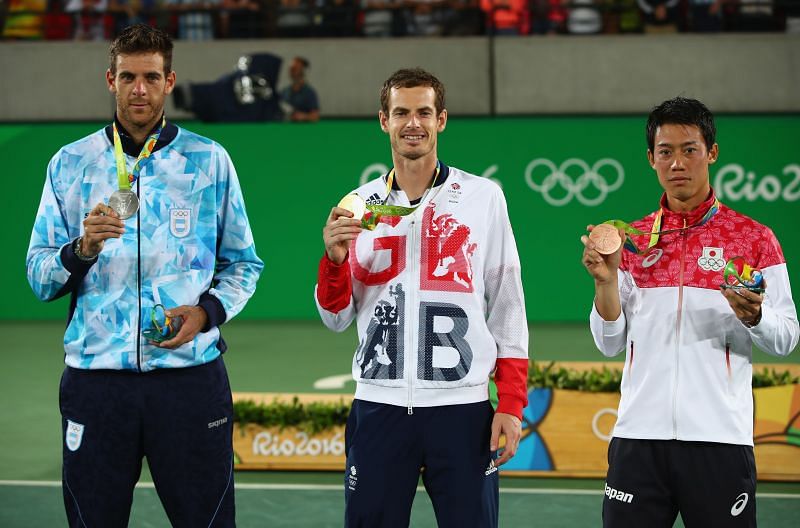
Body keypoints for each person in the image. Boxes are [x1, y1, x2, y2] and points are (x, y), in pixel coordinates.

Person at [26, 24, 263, 527]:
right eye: (128, 76)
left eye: (151, 77)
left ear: (169, 81)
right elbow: (39, 275)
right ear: (109, 79)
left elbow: (243, 264)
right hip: (97, 382)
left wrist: (207, 313)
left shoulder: (209, 161)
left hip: (189, 381)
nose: (139, 89)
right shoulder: (69, 164)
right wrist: (82, 249)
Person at [316, 68, 529, 527]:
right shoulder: (358, 206)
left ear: (442, 120)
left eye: (424, 112)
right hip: (379, 407)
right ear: (383, 121)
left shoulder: (483, 198)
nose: (413, 123)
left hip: (462, 411)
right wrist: (332, 260)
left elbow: (508, 304)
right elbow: (336, 318)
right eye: (401, 113)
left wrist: (510, 404)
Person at [581, 97, 799, 527]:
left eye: (689, 149)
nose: (677, 162)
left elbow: (787, 336)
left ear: (712, 153)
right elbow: (609, 343)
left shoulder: (754, 238)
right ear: (651, 159)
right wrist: (604, 283)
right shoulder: (632, 240)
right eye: (666, 152)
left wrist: (753, 317)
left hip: (719, 440)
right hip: (638, 438)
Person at [280, 56, 320, 122]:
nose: (292, 71)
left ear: (303, 71)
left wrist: (304, 116)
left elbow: (315, 116)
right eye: (291, 69)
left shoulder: (309, 93)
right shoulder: (284, 92)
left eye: (295, 68)